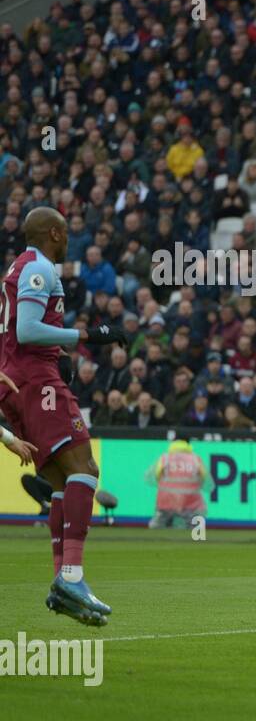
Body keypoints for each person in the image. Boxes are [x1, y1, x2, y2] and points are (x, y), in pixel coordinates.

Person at [0, 206, 125, 626]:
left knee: (58, 482)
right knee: (85, 469)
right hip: (37, 381)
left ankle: (61, 583)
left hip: (21, 381)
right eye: (66, 232)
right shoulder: (40, 267)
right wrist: (89, 335)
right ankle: (72, 576)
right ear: (55, 233)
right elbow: (27, 331)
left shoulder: (17, 268)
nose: (70, 238)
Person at [146, 439, 208, 528]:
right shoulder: (195, 459)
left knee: (158, 527)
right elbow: (205, 478)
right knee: (197, 528)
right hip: (191, 503)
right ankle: (197, 537)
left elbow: (153, 477)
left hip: (166, 502)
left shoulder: (165, 458)